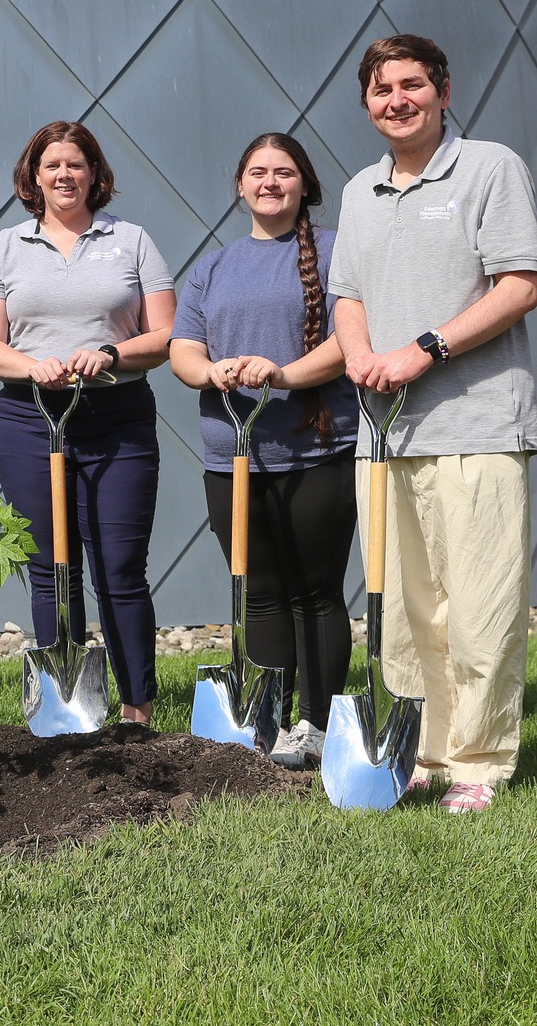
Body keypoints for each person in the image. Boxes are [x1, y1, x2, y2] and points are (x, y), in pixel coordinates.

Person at [329, 34, 537, 814]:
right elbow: (346, 295)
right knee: (404, 606)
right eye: (382, 89)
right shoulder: (358, 191)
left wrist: (424, 349)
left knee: (480, 600)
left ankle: (481, 763)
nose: (398, 100)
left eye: (412, 85)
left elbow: (519, 286)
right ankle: (420, 750)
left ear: (443, 91)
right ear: (367, 103)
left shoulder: (490, 167)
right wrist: (359, 356)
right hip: (385, 429)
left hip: (479, 421)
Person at [0, 120, 175, 722]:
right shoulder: (7, 247)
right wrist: (33, 367)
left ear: (94, 174)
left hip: (117, 419)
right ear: (34, 176)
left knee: (119, 566)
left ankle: (137, 706)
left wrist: (110, 353)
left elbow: (165, 336)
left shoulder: (131, 240)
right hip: (31, 419)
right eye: (51, 165)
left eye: (75, 164)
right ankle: (67, 709)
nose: (64, 175)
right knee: (51, 565)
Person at [170, 133, 360, 768]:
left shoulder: (335, 254)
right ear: (240, 185)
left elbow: (346, 344)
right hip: (233, 458)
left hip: (316, 450)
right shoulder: (213, 266)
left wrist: (280, 373)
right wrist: (210, 371)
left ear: (305, 184)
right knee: (262, 594)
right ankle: (273, 724)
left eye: (284, 173)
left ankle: (320, 722)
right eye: (257, 172)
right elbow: (183, 348)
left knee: (317, 591)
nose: (270, 183)